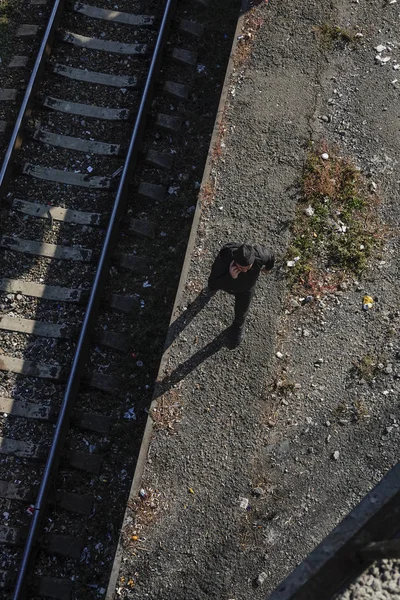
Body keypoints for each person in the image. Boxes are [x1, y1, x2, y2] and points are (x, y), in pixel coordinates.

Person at [208, 242, 275, 347]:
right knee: (212, 285)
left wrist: (267, 268)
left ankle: (238, 326)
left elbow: (270, 256)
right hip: (228, 284)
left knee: (242, 312)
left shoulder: (260, 256)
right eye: (241, 267)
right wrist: (230, 276)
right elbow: (214, 279)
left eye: (248, 267)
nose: (244, 270)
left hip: (246, 289)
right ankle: (211, 290)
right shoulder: (225, 259)